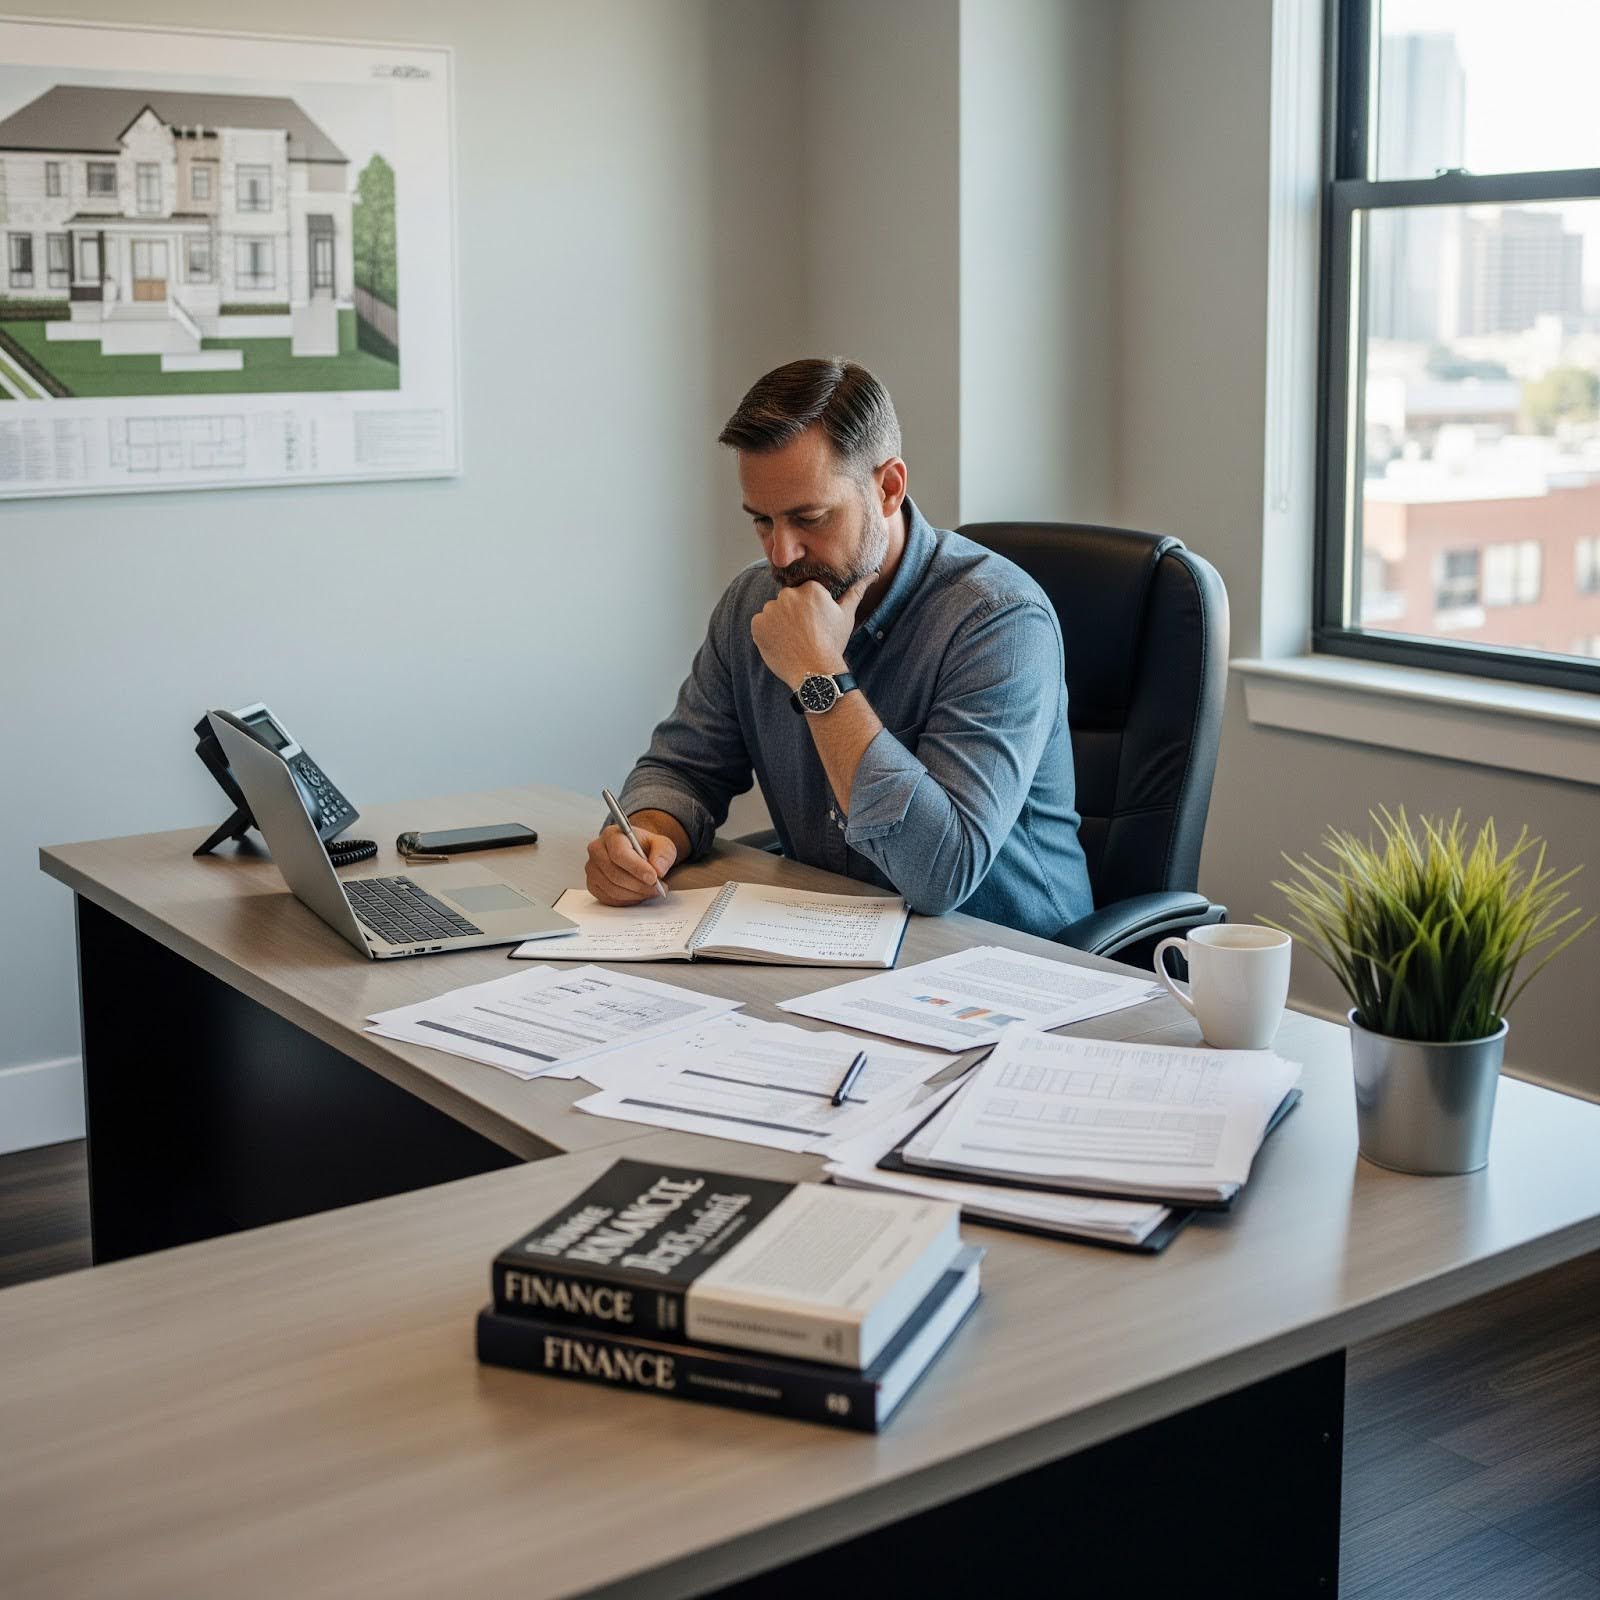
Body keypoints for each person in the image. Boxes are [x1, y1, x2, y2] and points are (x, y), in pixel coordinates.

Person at [585, 357, 1093, 939]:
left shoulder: (998, 620)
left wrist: (818, 674)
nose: (781, 554)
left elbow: (940, 877)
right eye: (762, 522)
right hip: (834, 945)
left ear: (888, 488)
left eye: (810, 518)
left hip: (1010, 963)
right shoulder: (754, 602)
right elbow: (683, 768)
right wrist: (646, 834)